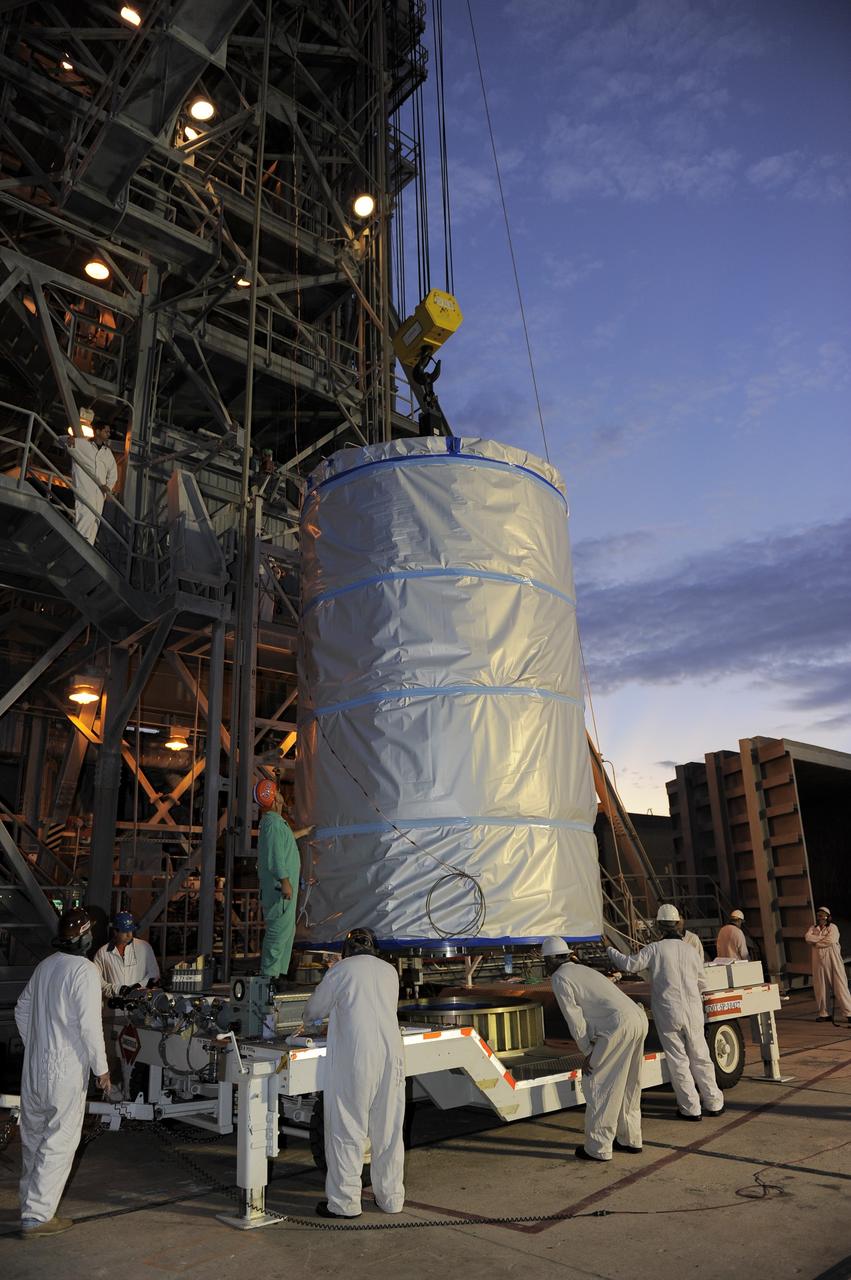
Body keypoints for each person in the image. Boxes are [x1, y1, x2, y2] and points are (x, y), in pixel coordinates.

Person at [14, 906, 110, 1237]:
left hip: (34, 1068)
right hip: (64, 1069)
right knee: (59, 1140)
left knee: (33, 1136)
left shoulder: (45, 966)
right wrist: (102, 1069)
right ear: (84, 938)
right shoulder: (84, 971)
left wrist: (35, 1042)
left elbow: (21, 1008)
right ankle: (38, 1216)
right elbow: (89, 1025)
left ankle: (28, 1203)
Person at [301, 927, 405, 1219]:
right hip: (391, 1057)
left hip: (357, 1058)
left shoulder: (341, 970)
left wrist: (308, 1021)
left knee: (347, 1128)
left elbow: (314, 1010)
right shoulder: (389, 971)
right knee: (388, 1131)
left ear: (346, 951)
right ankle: (391, 1198)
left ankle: (345, 1203)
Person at [608, 904, 725, 1121]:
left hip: (668, 1012)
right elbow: (703, 983)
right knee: (701, 1056)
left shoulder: (654, 949)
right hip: (693, 1011)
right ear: (677, 924)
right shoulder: (691, 950)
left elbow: (630, 965)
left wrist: (610, 950)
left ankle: (691, 1109)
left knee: (678, 1060)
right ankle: (714, 1102)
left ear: (659, 926)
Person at [542, 936, 648, 1162]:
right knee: (629, 1082)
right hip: (637, 1018)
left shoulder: (560, 977)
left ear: (551, 960)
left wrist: (587, 1051)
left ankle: (598, 1148)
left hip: (618, 1026)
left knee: (599, 1084)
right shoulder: (583, 970)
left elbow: (574, 1019)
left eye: (545, 961)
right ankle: (630, 1139)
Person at [255, 778, 300, 986]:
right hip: (279, 889)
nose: (282, 795)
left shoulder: (275, 823)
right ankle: (269, 977)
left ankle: (278, 975)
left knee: (286, 931)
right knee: (278, 932)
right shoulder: (273, 823)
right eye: (278, 792)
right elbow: (275, 856)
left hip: (282, 889)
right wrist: (285, 881)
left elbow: (282, 842)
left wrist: (304, 832)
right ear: (274, 799)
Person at [69, 418, 118, 545]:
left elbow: (113, 474)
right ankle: (79, 544)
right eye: (106, 431)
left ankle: (88, 546)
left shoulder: (108, 453)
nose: (108, 434)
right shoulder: (83, 444)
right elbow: (63, 440)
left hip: (100, 493)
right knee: (85, 513)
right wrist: (69, 439)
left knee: (96, 519)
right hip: (86, 487)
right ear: (97, 431)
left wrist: (108, 487)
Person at [93, 911, 160, 997]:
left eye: (131, 930)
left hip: (139, 1002)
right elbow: (97, 982)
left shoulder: (144, 947)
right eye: (125, 931)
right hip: (114, 1003)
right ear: (115, 931)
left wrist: (138, 986)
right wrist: (118, 990)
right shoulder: (102, 953)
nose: (129, 935)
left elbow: (154, 973)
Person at [805, 907, 851, 1025]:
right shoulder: (813, 928)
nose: (820, 918)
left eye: (822, 915)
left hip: (833, 960)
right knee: (820, 987)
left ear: (827, 916)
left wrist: (816, 943)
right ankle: (824, 1014)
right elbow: (808, 938)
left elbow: (831, 940)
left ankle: (849, 1013)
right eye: (818, 915)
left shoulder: (833, 927)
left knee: (840, 986)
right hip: (818, 962)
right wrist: (821, 939)